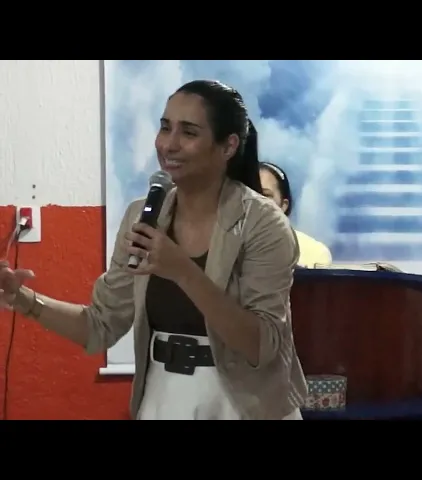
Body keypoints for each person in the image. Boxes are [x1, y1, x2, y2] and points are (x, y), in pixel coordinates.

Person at [0, 80, 308, 420]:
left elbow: (262, 346)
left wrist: (183, 271)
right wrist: (23, 299)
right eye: (165, 127)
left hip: (247, 403)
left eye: (188, 132)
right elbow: (100, 325)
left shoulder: (262, 223)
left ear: (228, 146)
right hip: (164, 395)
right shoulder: (142, 215)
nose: (169, 144)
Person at [259, 162, 332, 268]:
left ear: (283, 205)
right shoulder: (232, 248)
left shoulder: (315, 255)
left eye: (265, 195)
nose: (254, 201)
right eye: (248, 194)